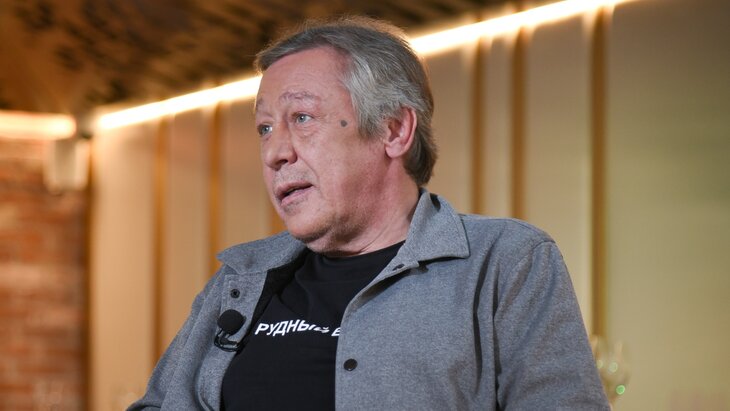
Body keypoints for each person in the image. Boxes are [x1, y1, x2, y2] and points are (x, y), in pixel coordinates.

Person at [129, 16, 609, 410]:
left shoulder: (507, 262)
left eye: (301, 118)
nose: (275, 152)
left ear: (393, 130)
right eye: (264, 128)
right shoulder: (241, 277)